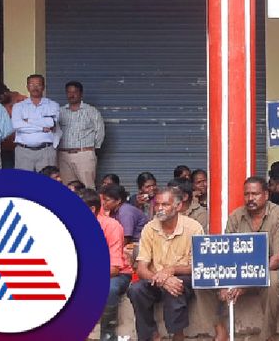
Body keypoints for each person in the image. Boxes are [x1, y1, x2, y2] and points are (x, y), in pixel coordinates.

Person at [217, 177, 279, 341]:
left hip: (268, 270)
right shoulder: (235, 216)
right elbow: (226, 254)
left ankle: (267, 336)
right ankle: (220, 331)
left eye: (255, 194)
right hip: (239, 273)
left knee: (272, 281)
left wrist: (245, 282)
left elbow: (277, 259)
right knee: (208, 279)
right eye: (247, 194)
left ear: (266, 194)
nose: (250, 198)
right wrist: (229, 282)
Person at [127, 187, 203, 341]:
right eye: (157, 205)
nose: (160, 209)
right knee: (136, 289)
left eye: (165, 205)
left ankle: (177, 335)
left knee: (175, 287)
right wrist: (163, 279)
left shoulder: (193, 228)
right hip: (156, 277)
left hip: (184, 277)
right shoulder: (149, 228)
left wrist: (172, 270)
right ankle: (151, 335)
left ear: (178, 206)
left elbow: (198, 266)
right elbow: (142, 269)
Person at [80, 188, 133, 341]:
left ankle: (108, 334)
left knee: (109, 288)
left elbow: (114, 268)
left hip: (116, 274)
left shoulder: (112, 226)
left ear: (91, 210)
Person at [58, 81, 105, 189]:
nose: (71, 95)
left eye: (75, 92)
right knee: (66, 188)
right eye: (69, 92)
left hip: (84, 154)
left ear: (81, 94)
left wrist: (92, 149)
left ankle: (89, 206)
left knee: (88, 187)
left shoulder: (91, 111)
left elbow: (100, 132)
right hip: (63, 155)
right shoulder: (60, 112)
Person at [12, 74, 60, 172]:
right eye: (32, 84)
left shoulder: (53, 105)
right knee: (24, 184)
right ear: (27, 87)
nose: (35, 87)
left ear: (43, 87)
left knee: (46, 183)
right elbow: (17, 125)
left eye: (38, 84)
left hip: (46, 151)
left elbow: (51, 123)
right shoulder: (18, 106)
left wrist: (28, 121)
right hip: (23, 151)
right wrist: (41, 128)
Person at [0, 82, 27, 169]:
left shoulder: (22, 100)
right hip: (5, 145)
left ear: (5, 92)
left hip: (21, 144)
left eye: (0, 97)